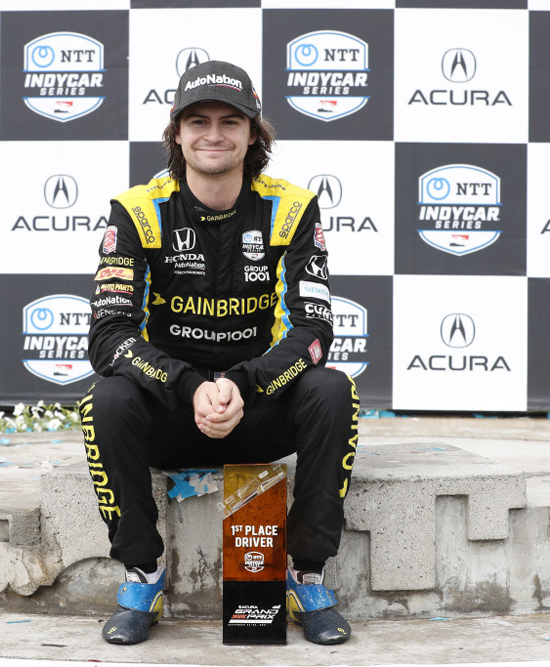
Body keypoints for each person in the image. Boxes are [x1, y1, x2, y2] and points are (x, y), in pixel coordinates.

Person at [79, 60, 359, 646]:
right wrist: (188, 386)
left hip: (257, 409)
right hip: (172, 412)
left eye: (230, 121)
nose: (214, 134)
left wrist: (242, 383)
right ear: (176, 133)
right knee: (105, 398)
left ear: (253, 134)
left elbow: (314, 329)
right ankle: (142, 575)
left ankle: (305, 573)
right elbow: (107, 335)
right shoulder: (136, 210)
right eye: (198, 121)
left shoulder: (292, 207)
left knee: (334, 389)